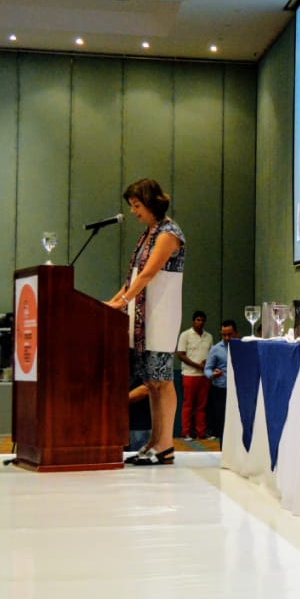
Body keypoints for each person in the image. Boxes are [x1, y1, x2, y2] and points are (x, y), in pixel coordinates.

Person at [107, 178, 186, 465]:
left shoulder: (169, 233)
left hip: (161, 314)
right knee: (152, 382)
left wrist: (123, 301)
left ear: (151, 203)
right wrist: (113, 302)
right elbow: (133, 278)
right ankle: (155, 441)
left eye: (137, 205)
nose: (133, 211)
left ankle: (166, 444)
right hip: (144, 316)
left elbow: (148, 274)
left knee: (162, 381)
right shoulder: (149, 233)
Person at [176, 310, 214, 439]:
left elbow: (212, 354)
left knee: (201, 406)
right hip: (189, 374)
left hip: (204, 376)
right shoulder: (185, 335)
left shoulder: (209, 336)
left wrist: (207, 362)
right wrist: (197, 365)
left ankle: (201, 433)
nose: (200, 322)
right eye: (198, 320)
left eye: (202, 320)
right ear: (193, 321)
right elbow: (180, 355)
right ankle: (185, 432)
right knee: (188, 405)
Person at [203, 320, 239, 448]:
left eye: (230, 334)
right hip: (221, 391)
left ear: (236, 333)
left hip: (238, 391)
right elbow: (207, 369)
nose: (227, 338)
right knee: (222, 422)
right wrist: (212, 374)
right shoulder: (216, 349)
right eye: (224, 335)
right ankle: (224, 450)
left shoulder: (242, 348)